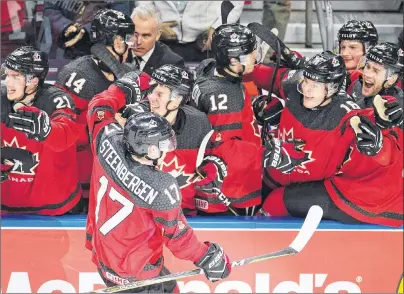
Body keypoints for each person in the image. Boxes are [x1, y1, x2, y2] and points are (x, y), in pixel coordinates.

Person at [85, 100, 231, 292]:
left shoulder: (108, 140)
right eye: (163, 144)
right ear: (151, 150)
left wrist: (122, 88)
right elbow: (179, 238)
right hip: (136, 275)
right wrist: (207, 256)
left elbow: (98, 109)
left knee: (171, 288)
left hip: (106, 261)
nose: (166, 150)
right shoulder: (161, 186)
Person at [247, 50, 402, 227]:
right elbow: (262, 73)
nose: (306, 88)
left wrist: (381, 133)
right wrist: (236, 63)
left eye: (315, 84)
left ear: (333, 88)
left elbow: (378, 128)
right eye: (306, 80)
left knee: (275, 203)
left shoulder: (346, 115)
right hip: (275, 174)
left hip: (341, 192)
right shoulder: (294, 85)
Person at [55, 8, 137, 196]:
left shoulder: (124, 72)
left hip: (110, 171)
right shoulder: (77, 75)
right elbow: (64, 131)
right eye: (128, 38)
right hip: (82, 176)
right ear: (117, 40)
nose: (131, 44)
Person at [1, 46, 82, 215]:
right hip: (6, 209)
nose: (8, 82)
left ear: (33, 80)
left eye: (15, 76)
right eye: (7, 74)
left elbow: (67, 134)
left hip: (55, 210)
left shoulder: (58, 100)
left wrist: (48, 130)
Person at [193, 23, 261, 146]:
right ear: (233, 61)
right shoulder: (225, 98)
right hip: (243, 160)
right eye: (250, 52)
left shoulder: (208, 66)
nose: (255, 55)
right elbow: (226, 150)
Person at [138, 1, 244, 62]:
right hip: (164, 41)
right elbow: (144, 4)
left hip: (206, 43)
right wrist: (153, 24)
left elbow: (235, 2)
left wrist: (219, 26)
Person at [43, 0, 133, 59]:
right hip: (65, 47)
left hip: (102, 50)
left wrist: (87, 29)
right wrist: (66, 26)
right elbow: (50, 9)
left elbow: (120, 15)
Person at [130, 5, 185, 76]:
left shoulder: (172, 63)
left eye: (146, 35)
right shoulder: (116, 53)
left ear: (158, 35)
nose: (138, 42)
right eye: (135, 34)